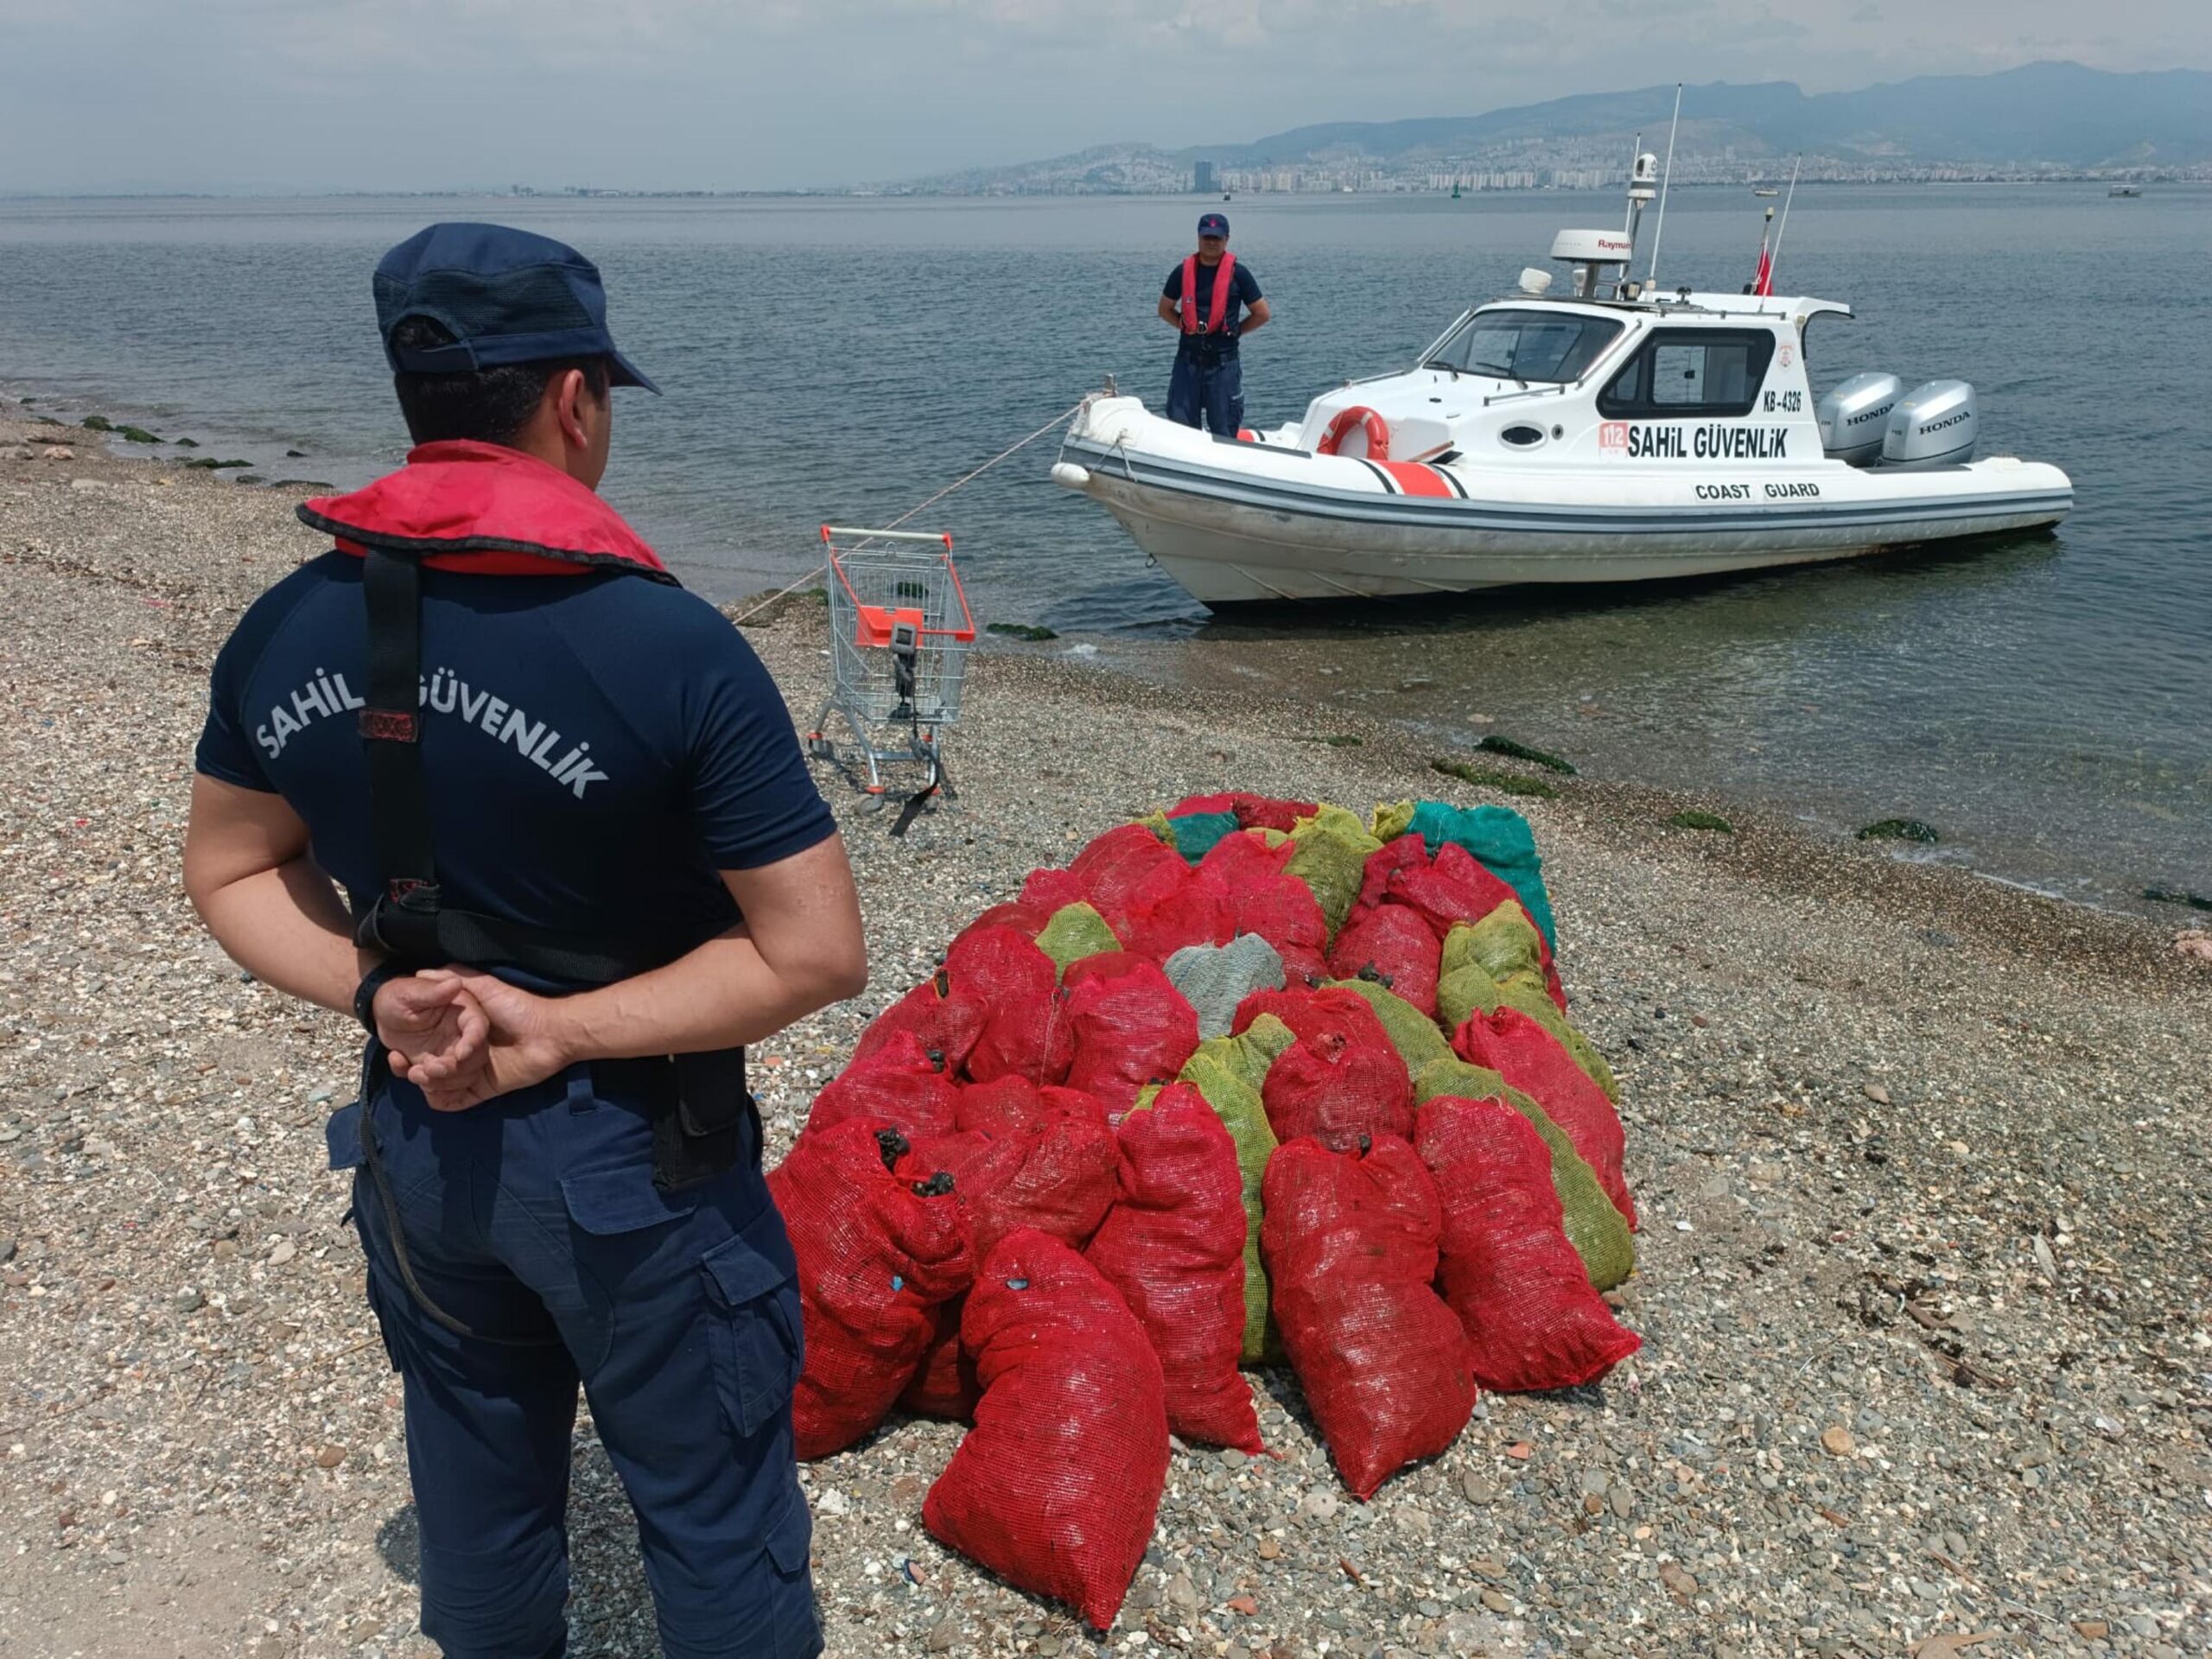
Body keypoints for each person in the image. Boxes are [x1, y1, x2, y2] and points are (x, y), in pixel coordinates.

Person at [181, 222, 866, 1659]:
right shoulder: (671, 651)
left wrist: (381, 997)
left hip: (423, 1140)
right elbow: (811, 954)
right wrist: (556, 1026)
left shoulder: (290, 626)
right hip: (635, 1166)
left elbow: (232, 869)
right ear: (576, 399)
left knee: (481, 1490)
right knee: (711, 1511)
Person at [1158, 210, 1269, 434]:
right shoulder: (1182, 272)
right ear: (1198, 238)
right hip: (1187, 363)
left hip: (1223, 365)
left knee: (1224, 428)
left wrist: (1236, 331)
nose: (1211, 242)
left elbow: (1262, 313)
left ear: (1226, 239)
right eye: (1206, 237)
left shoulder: (1239, 274)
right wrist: (1185, 325)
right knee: (1181, 428)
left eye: (1216, 238)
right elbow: (1165, 309)